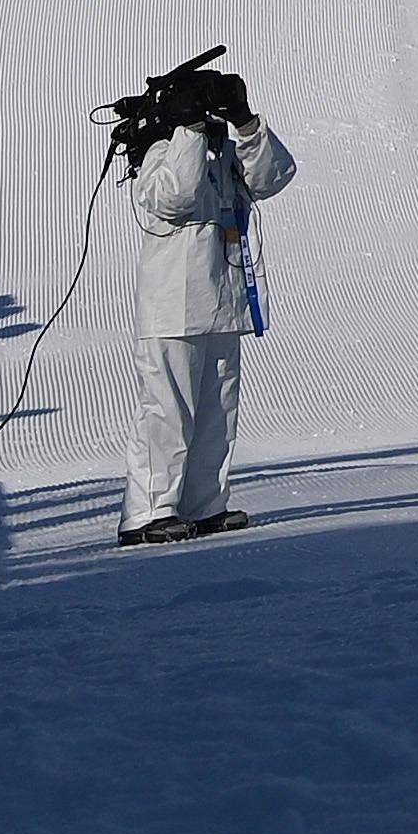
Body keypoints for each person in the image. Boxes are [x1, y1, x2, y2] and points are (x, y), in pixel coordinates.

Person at [122, 71, 296, 546]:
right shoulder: (159, 148)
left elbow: (273, 176)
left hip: (222, 300)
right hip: (172, 305)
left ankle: (203, 506)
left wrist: (245, 124)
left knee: (218, 410)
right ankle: (147, 513)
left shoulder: (221, 153)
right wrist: (187, 130)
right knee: (167, 410)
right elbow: (174, 197)